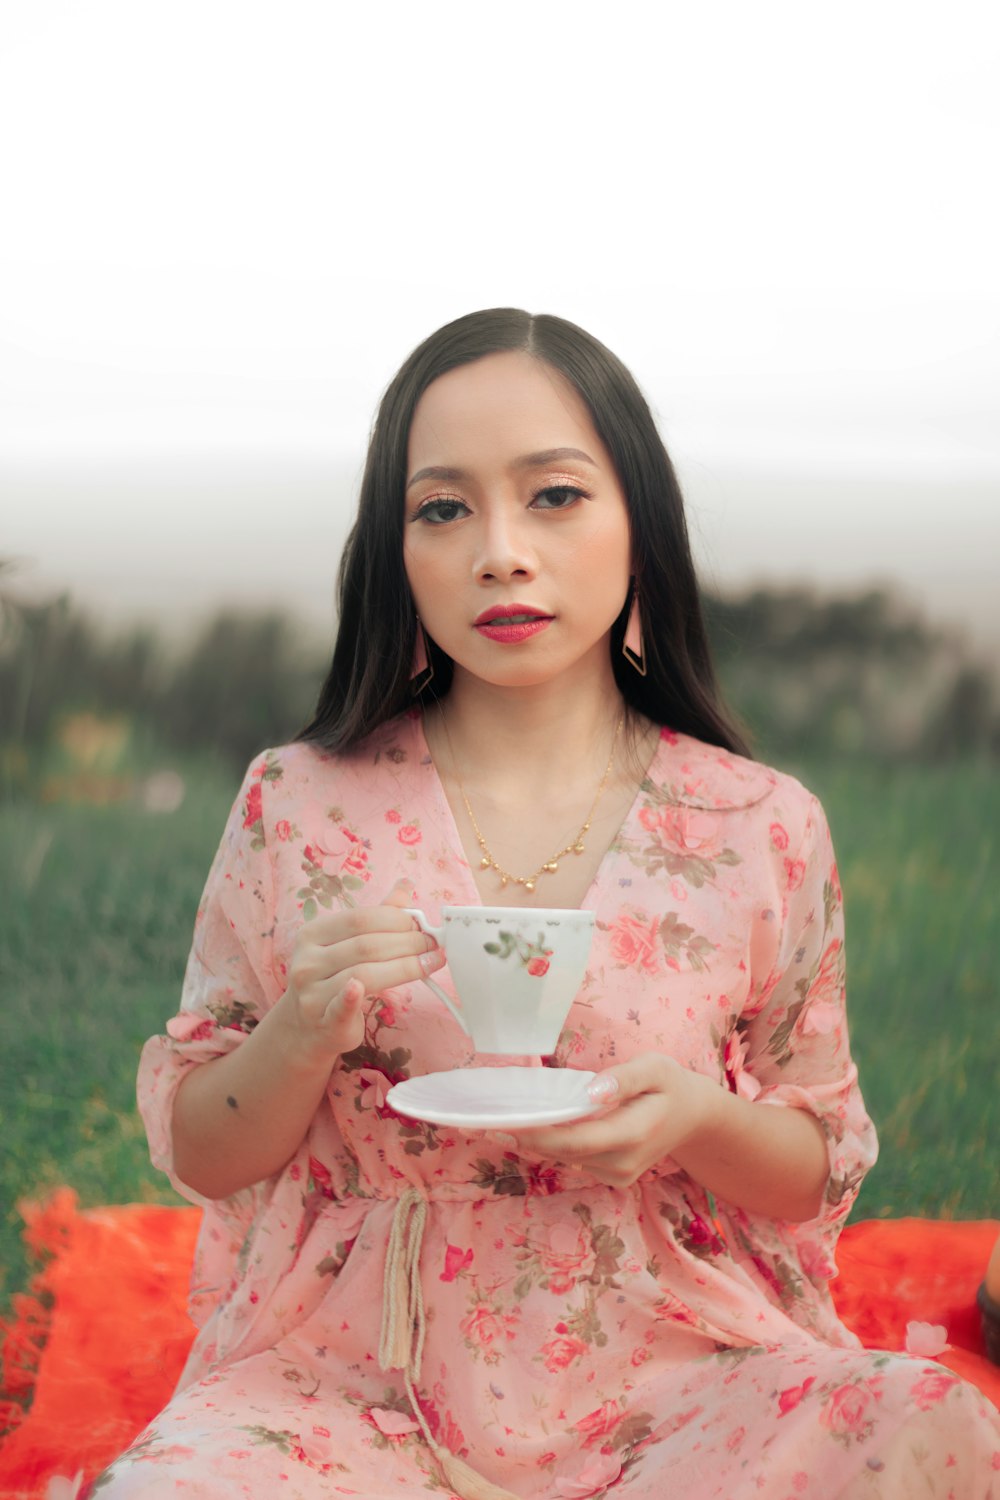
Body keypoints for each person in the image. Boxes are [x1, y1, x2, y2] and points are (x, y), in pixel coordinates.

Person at [94, 310, 1000, 1498]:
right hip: (356, 1386)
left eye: (555, 496)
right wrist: (299, 1034)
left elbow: (814, 1161)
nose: (500, 552)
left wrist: (695, 1120)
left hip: (676, 1380)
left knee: (927, 1428)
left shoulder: (758, 822)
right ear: (394, 547)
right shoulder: (298, 802)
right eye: (442, 508)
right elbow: (206, 1151)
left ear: (640, 522)